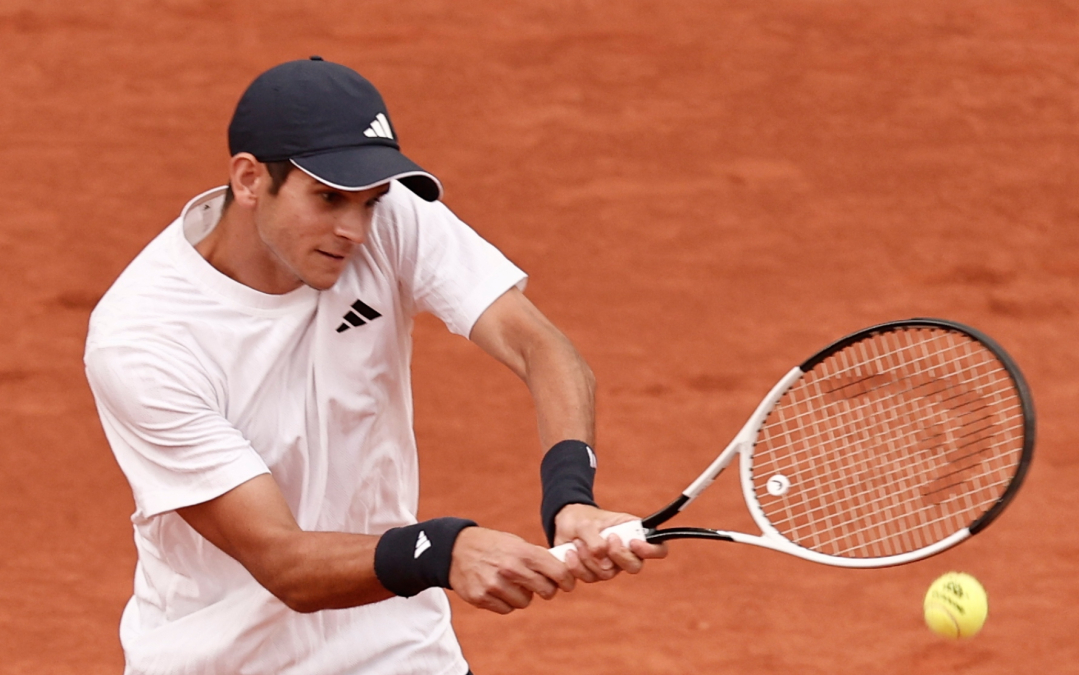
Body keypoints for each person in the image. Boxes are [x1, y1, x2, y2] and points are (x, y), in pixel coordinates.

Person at [84, 56, 665, 675]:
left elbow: (539, 346)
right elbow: (286, 565)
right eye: (329, 198)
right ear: (250, 180)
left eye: (371, 200)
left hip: (399, 653)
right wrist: (442, 550)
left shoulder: (389, 218)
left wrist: (569, 496)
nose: (356, 230)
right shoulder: (144, 341)